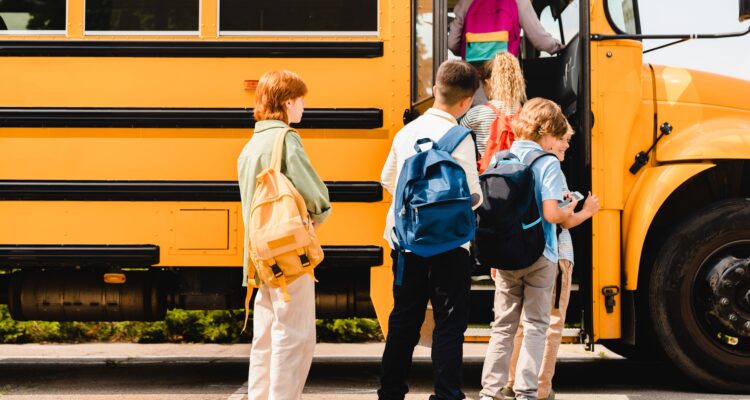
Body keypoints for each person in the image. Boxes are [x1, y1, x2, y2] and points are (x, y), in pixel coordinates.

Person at [378, 59, 482, 400]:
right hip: (451, 248)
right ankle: (446, 394)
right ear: (467, 102)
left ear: (435, 90)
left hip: (407, 244)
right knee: (449, 325)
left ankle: (391, 392)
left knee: (404, 319)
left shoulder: (405, 133)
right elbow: (473, 195)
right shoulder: (460, 138)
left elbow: (387, 180)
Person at [237, 69, 331, 400]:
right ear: (288, 101)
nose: (304, 106)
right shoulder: (286, 139)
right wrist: (318, 218)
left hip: (259, 256)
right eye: (301, 99)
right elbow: (315, 194)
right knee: (295, 335)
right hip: (287, 253)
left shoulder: (252, 144)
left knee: (265, 335)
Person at [479, 98, 576, 400]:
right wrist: (571, 207)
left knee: (503, 327)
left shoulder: (500, 158)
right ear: (546, 132)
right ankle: (525, 392)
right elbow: (551, 214)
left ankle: (490, 392)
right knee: (535, 325)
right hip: (540, 255)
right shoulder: (548, 164)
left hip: (505, 256)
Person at [503, 124, 601, 400]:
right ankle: (541, 387)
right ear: (547, 136)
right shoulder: (550, 169)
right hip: (554, 254)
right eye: (563, 139)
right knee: (551, 323)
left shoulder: (511, 160)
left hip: (516, 252)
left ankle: (512, 382)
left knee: (521, 324)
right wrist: (586, 211)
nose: (567, 146)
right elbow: (562, 219)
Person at [449, 0, 564, 105]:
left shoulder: (466, 3)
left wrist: (472, 51)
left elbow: (452, 44)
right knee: (505, 117)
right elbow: (541, 41)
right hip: (505, 74)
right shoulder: (519, 2)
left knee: (478, 116)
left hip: (475, 76)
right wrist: (559, 47)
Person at [460, 51, 526, 159]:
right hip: (519, 173)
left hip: (488, 173)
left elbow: (457, 139)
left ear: (488, 82)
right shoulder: (527, 115)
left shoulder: (476, 114)